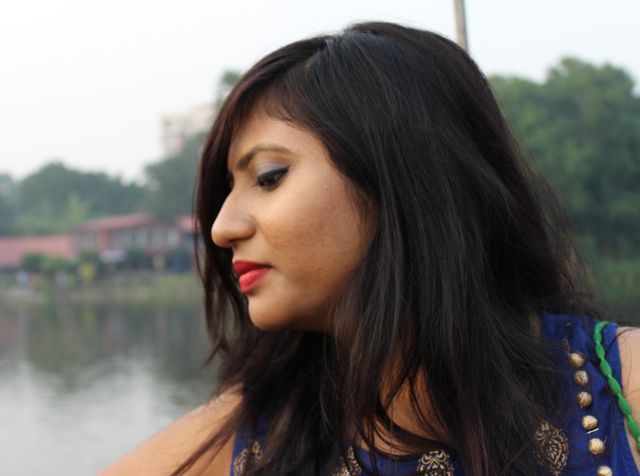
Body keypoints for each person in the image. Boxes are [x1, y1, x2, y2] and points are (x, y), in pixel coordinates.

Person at [99, 22, 640, 475]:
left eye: (268, 177)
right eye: (227, 190)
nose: (222, 228)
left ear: (401, 179)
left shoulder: (621, 389)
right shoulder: (245, 443)